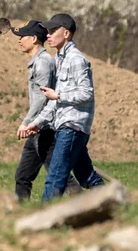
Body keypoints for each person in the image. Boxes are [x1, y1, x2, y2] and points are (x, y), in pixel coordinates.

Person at [25, 13, 105, 201]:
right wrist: (37, 122)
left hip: (72, 127)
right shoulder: (61, 59)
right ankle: (116, 204)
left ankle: (44, 221)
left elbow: (87, 94)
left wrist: (58, 95)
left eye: (53, 31)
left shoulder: (76, 59)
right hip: (66, 125)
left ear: (66, 33)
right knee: (86, 176)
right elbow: (55, 101)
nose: (48, 35)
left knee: (55, 177)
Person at [12, 20, 80, 200]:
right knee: (23, 176)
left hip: (44, 129)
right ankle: (21, 214)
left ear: (34, 39)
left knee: (60, 178)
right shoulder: (38, 61)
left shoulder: (43, 63)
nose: (19, 40)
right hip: (37, 130)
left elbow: (42, 99)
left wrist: (26, 122)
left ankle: (86, 205)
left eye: (22, 37)